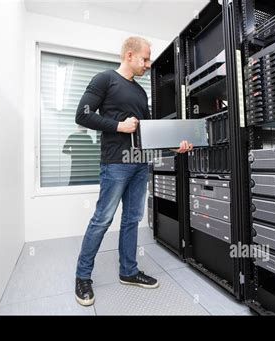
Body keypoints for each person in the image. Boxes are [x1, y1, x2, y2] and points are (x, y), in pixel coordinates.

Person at [74, 36, 193, 306]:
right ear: (129, 55)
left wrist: (173, 148)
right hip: (115, 163)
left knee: (131, 219)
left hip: (140, 164)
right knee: (102, 219)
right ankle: (82, 277)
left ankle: (128, 271)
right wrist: (119, 126)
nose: (148, 64)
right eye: (145, 58)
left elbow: (147, 135)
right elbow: (82, 115)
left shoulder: (140, 92)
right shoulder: (104, 79)